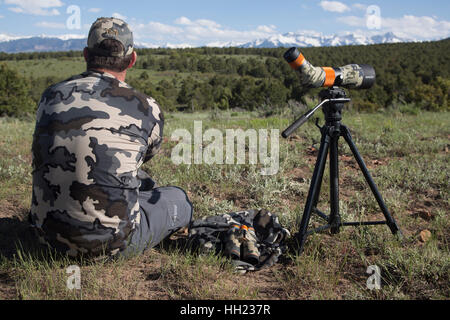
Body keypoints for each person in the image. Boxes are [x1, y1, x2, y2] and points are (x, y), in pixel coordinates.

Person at [29, 17, 193, 258]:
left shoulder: (50, 96)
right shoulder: (147, 106)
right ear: (132, 59)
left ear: (86, 54)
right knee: (179, 198)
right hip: (114, 245)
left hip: (45, 237)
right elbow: (147, 155)